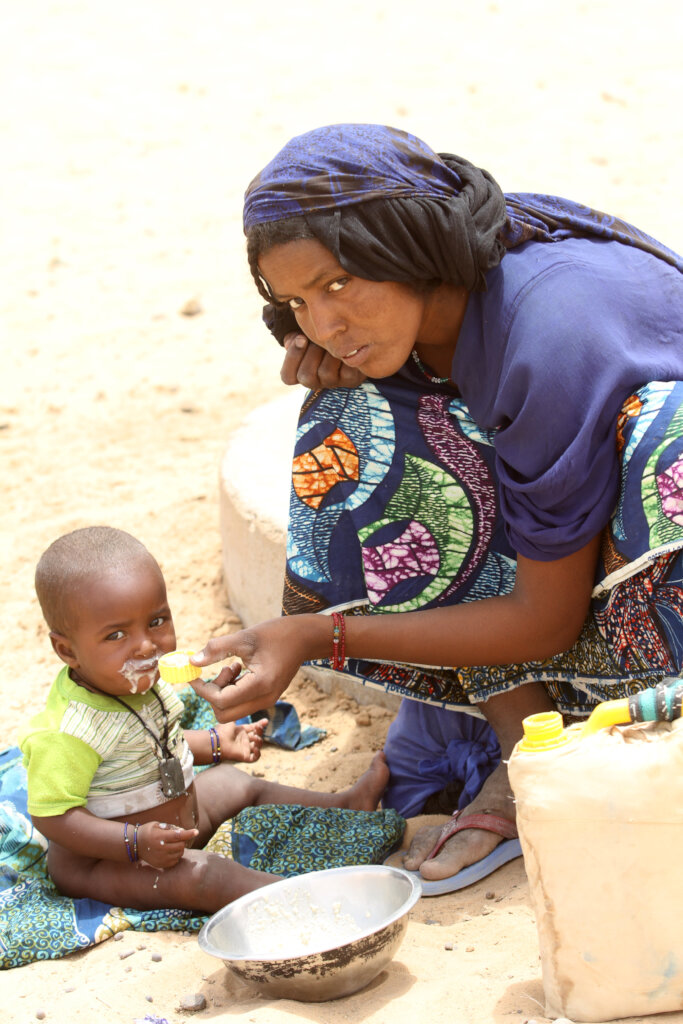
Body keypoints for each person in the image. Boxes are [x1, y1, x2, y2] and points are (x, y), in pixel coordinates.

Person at [189, 123, 683, 889]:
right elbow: (348, 348)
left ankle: (605, 749)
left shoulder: (544, 331)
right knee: (352, 415)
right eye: (296, 301)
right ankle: (530, 756)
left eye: (337, 284)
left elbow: (542, 618)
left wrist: (318, 634)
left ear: (406, 243)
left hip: (656, 530)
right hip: (578, 509)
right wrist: (352, 362)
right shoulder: (448, 287)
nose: (324, 324)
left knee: (667, 440)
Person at [19, 526, 389, 914]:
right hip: (108, 861)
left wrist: (215, 743)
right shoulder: (70, 731)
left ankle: (346, 805)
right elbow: (53, 817)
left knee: (233, 781)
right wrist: (133, 841)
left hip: (179, 822)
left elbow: (158, 743)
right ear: (67, 650)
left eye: (157, 621)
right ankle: (308, 901)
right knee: (207, 876)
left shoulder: (137, 684)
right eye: (116, 635)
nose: (146, 645)